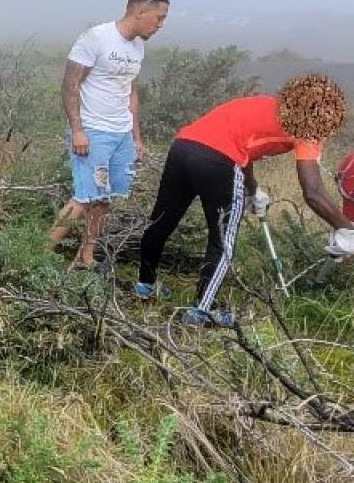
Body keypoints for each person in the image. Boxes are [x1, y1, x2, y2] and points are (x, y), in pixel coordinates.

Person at [134, 74, 354, 326]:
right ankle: (201, 312)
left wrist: (252, 190)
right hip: (219, 163)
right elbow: (313, 191)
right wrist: (346, 228)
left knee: (161, 221)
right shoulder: (309, 131)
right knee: (223, 240)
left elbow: (242, 145)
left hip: (183, 147)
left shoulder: (267, 104)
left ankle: (145, 286)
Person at [59, 0, 171, 269]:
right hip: (92, 131)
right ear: (139, 11)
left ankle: (86, 256)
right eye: (158, 18)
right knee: (84, 198)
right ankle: (36, 252)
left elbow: (131, 92)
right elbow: (70, 85)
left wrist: (136, 137)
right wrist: (77, 130)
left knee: (104, 199)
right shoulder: (96, 38)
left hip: (121, 134)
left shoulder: (137, 48)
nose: (160, 25)